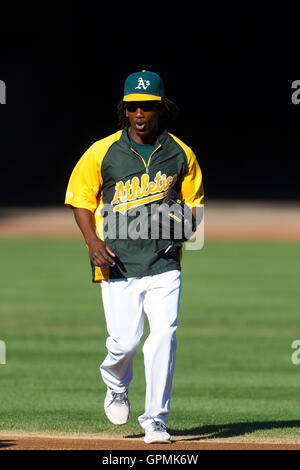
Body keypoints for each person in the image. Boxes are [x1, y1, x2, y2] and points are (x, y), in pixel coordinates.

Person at [65, 70, 204, 444]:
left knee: (163, 336)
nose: (140, 113)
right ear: (124, 110)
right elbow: (80, 198)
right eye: (133, 107)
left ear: (161, 108)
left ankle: (156, 419)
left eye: (147, 106)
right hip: (117, 262)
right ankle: (115, 382)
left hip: (163, 264)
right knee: (124, 343)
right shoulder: (102, 151)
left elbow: (194, 206)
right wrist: (92, 242)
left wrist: (183, 226)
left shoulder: (181, 154)